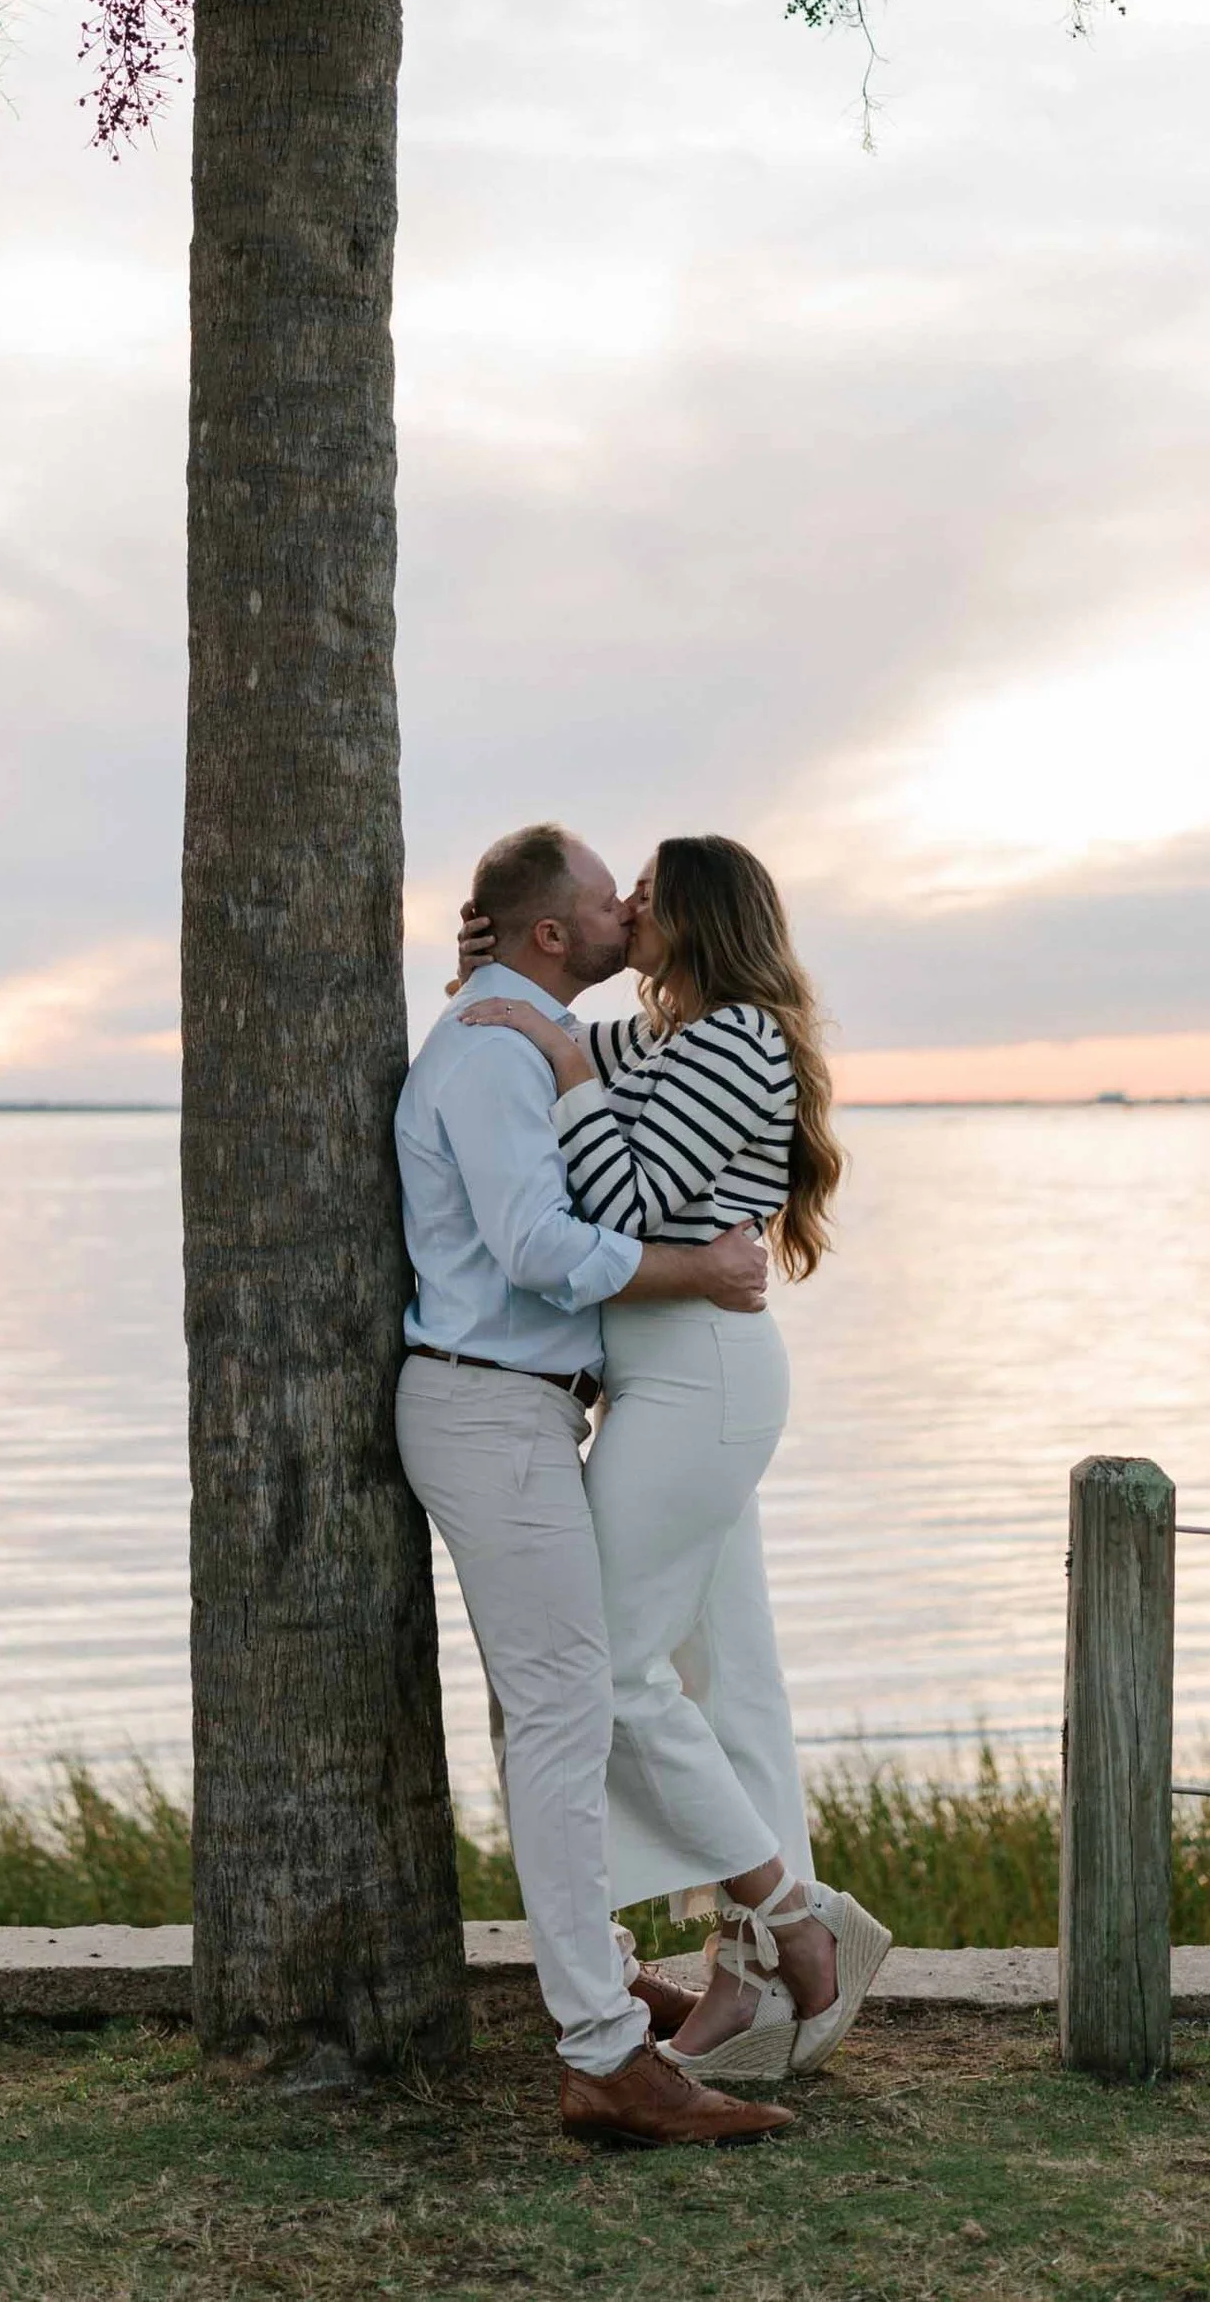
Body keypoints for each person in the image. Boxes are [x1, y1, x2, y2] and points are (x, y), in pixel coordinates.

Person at [455, 833, 891, 2083]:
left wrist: (560, 1065)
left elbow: (625, 1201)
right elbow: (539, 1033)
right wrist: (493, 973)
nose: (628, 906)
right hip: (669, 1375)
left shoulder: (737, 1037)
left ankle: (794, 1922)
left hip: (699, 1375)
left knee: (606, 1670)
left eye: (646, 891)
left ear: (697, 915)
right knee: (725, 1680)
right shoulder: (666, 1036)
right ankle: (752, 1975)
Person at [394, 822, 796, 2147]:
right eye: (608, 893)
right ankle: (615, 2039)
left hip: (535, 1403)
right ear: (556, 931)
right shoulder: (501, 1047)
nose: (631, 905)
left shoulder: (544, 1032)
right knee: (573, 1708)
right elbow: (536, 1240)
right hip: (495, 1403)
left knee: (578, 1703)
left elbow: (607, 1090)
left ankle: (612, 1988)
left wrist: (496, 977)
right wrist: (697, 1269)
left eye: (647, 893)